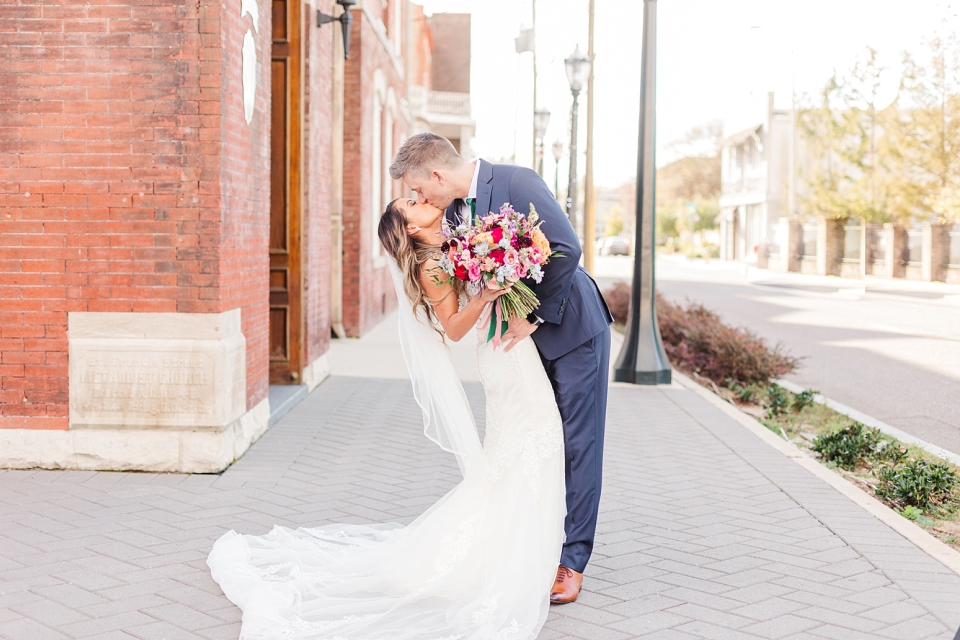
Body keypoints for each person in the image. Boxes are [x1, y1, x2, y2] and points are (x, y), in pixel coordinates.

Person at [207, 196, 568, 638]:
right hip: (502, 359)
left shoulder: (456, 242)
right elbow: (453, 328)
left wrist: (511, 291)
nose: (421, 200)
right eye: (411, 204)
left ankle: (520, 549)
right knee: (531, 440)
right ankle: (507, 556)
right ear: (410, 228)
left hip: (511, 349)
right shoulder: (429, 268)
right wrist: (491, 291)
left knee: (530, 443)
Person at [390, 133, 613, 604]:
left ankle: (572, 561)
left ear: (436, 174)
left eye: (417, 190)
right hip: (518, 351)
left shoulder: (517, 181)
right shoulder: (449, 214)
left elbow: (565, 249)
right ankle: (539, 537)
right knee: (540, 438)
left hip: (571, 330)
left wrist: (530, 315)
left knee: (579, 441)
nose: (418, 200)